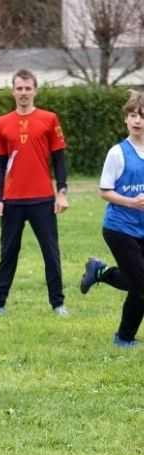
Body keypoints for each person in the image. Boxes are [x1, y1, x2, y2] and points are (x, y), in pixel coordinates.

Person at [0, 68, 69, 317]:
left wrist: (61, 192)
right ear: (13, 91)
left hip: (42, 199)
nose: (23, 92)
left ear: (35, 91)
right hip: (12, 201)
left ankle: (58, 304)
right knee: (8, 253)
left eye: (27, 88)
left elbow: (59, 159)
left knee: (50, 252)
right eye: (19, 88)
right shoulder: (2, 123)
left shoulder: (49, 119)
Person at [80, 90, 144, 347]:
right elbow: (104, 191)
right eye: (133, 115)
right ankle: (124, 338)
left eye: (142, 116)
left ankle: (100, 271)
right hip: (119, 228)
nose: (137, 121)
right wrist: (131, 202)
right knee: (141, 285)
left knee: (138, 282)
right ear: (125, 119)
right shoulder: (117, 153)